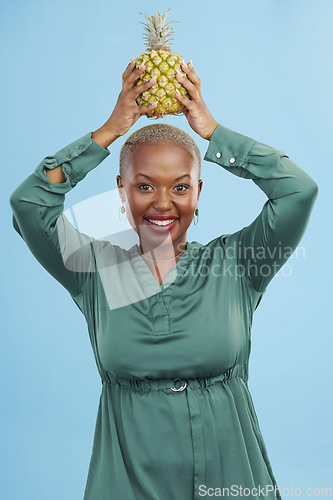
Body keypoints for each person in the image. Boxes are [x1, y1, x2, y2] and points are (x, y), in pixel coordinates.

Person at [9, 58, 318, 500]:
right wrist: (108, 132)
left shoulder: (238, 263)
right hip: (127, 483)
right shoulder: (94, 268)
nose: (162, 204)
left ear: (198, 191)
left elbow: (298, 190)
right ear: (122, 190)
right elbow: (30, 203)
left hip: (230, 478)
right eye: (145, 186)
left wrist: (213, 132)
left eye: (180, 186)